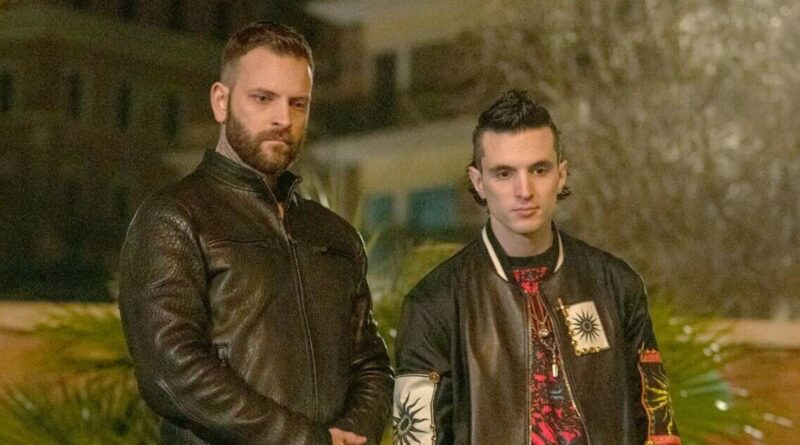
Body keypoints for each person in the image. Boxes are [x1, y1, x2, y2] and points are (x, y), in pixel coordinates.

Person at [119, 22, 392, 445]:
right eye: (263, 98)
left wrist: (352, 435)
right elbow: (172, 373)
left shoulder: (335, 234)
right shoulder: (174, 218)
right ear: (221, 101)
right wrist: (306, 440)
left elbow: (371, 365)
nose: (283, 119)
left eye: (298, 103)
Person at [392, 90, 680, 445]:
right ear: (479, 182)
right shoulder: (434, 305)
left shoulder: (616, 286)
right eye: (504, 173)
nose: (524, 190)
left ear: (561, 175)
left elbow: (657, 427)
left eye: (539, 169)